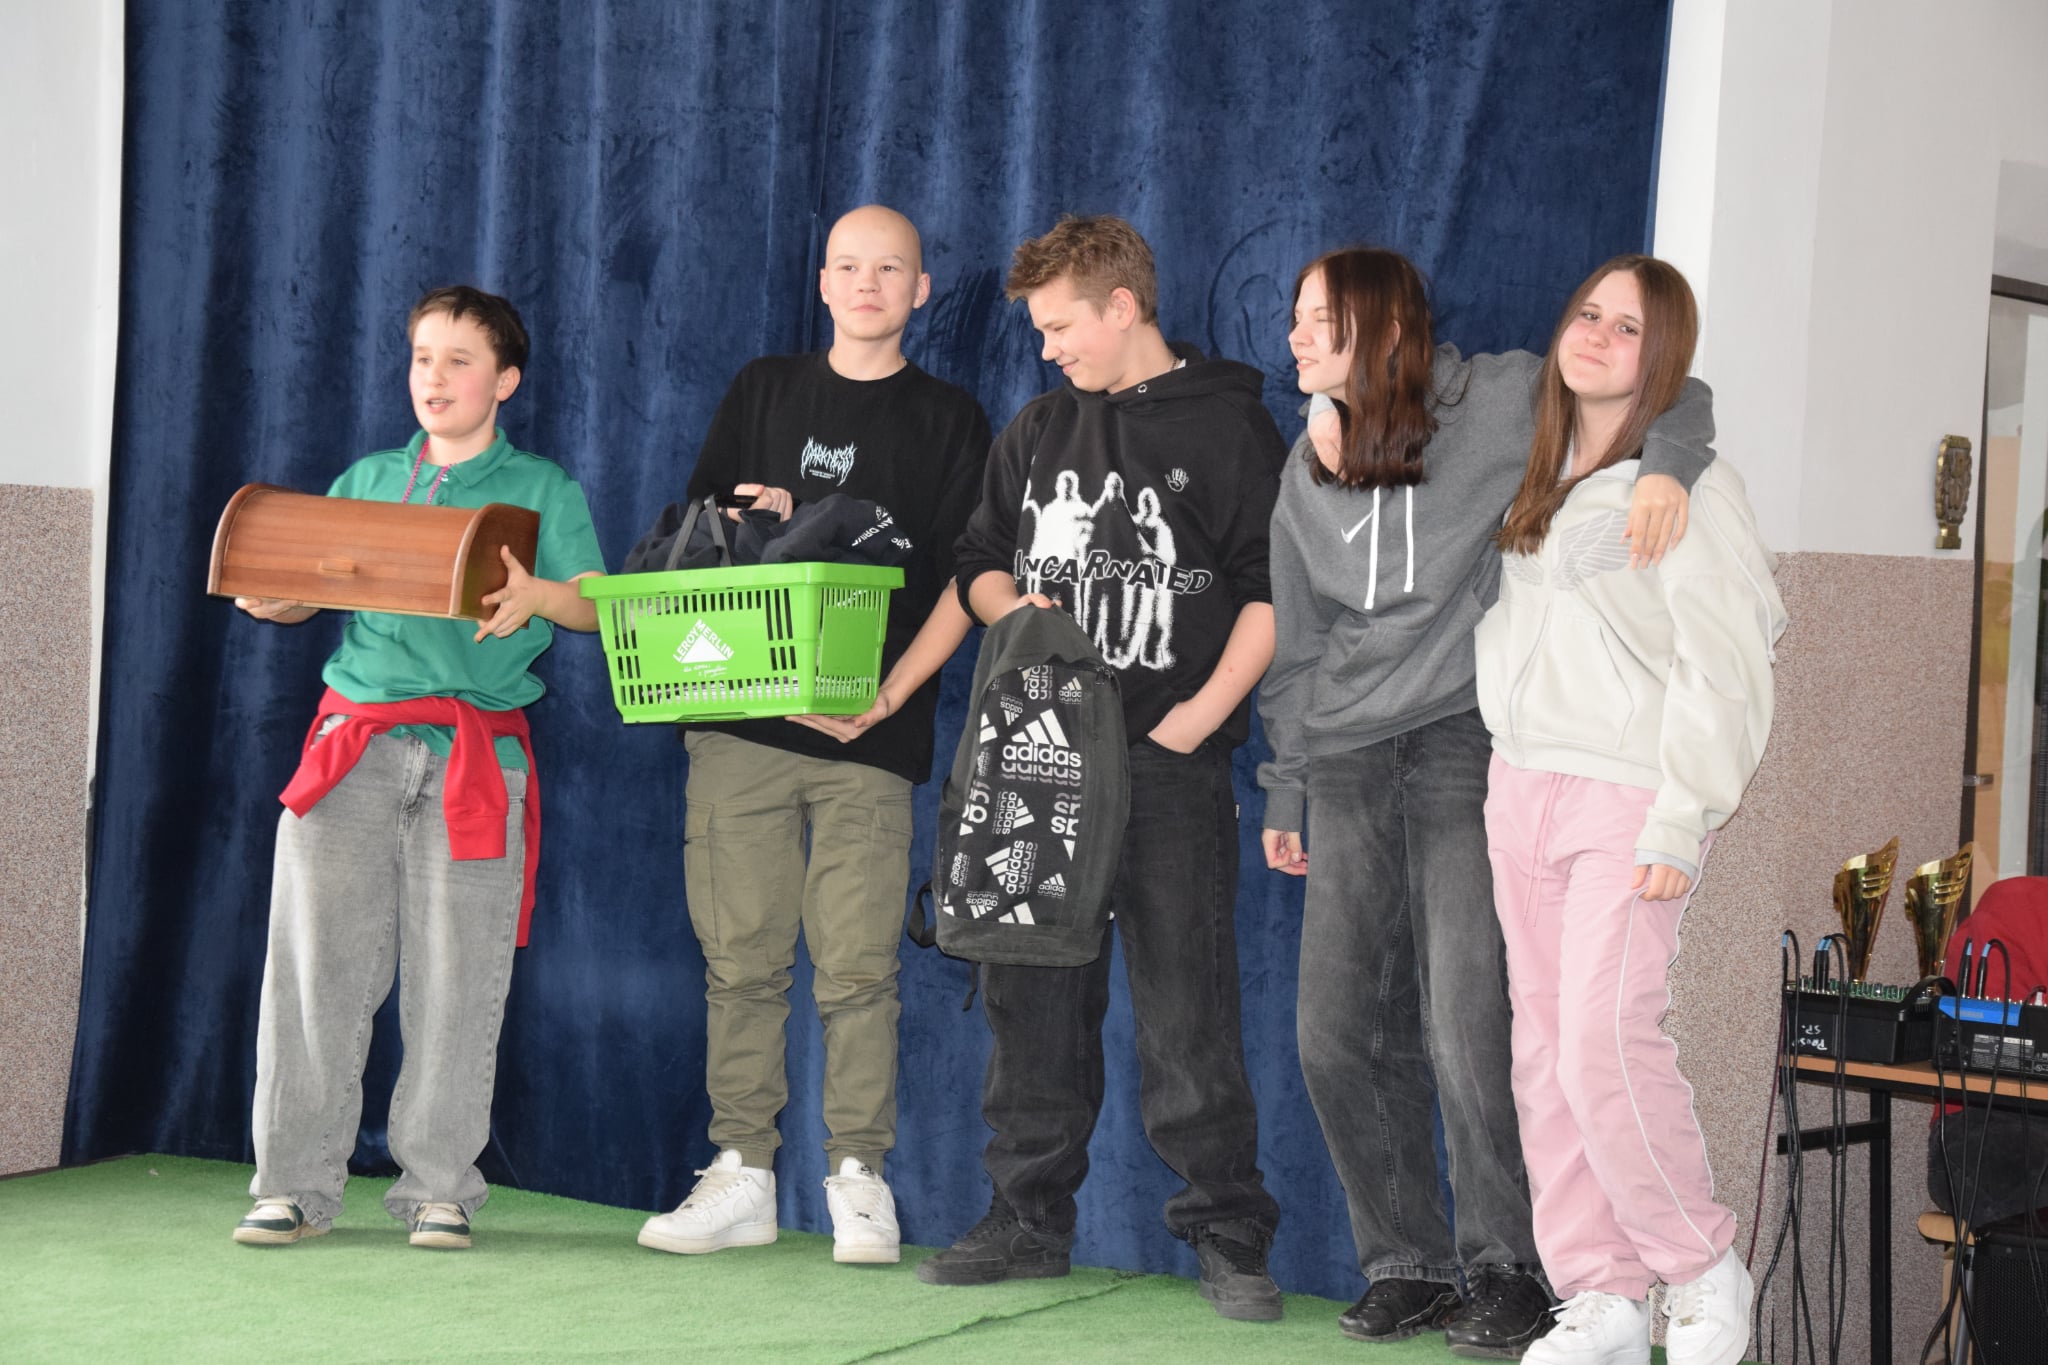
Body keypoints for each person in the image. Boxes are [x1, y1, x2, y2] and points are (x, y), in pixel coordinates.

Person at [1257, 246, 1716, 1355]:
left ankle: (1508, 1268)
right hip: (1345, 756)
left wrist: (1669, 466)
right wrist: (1287, 781)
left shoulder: (1498, 399)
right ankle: (1404, 1263)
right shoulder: (1306, 464)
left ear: (1385, 328)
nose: (1296, 338)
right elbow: (1300, 642)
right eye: (1295, 318)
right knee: (1332, 1033)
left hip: (1466, 738)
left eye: (1319, 318)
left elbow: (1664, 387)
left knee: (1468, 1022)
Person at [919, 214, 1288, 1323]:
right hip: (1038, 760)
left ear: (1122, 306)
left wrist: (1195, 722)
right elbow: (978, 561)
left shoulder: (1230, 426)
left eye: (1059, 326)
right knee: (1029, 998)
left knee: (1187, 1005)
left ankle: (1227, 1227)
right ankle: (1026, 1217)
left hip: (1167, 767)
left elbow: (1272, 590)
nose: (1047, 348)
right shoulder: (1039, 429)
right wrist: (1011, 608)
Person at [634, 205, 991, 1266]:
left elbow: (967, 582)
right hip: (740, 722)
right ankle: (741, 1169)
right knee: (739, 960)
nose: (866, 283)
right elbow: (695, 542)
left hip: (867, 737)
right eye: (847, 265)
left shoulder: (951, 419)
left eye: (889, 267)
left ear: (921, 289)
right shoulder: (762, 389)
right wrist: (764, 518)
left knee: (857, 967)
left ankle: (858, 1177)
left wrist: (889, 696)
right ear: (823, 281)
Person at [232, 285, 605, 1250]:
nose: (434, 377)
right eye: (422, 358)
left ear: (505, 381)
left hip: (475, 756)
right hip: (351, 746)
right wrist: (277, 601)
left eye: (459, 360)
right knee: (313, 970)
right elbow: (305, 588)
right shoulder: (365, 479)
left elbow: (598, 603)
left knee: (458, 977)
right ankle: (292, 1185)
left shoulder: (543, 489)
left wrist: (540, 596)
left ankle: (439, 1188)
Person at [1476, 255, 1782, 1365]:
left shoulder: (1689, 484)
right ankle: (1599, 1289)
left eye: (1629, 328)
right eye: (1588, 314)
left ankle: (1698, 1265)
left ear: (1663, 361)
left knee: (1606, 1041)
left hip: (1626, 791)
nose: (1598, 336)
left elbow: (1728, 660)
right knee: (1543, 1052)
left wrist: (1681, 814)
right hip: (1519, 785)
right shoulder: (1528, 460)